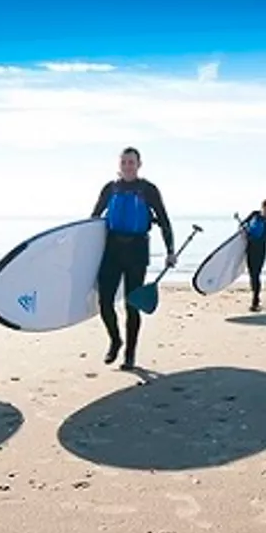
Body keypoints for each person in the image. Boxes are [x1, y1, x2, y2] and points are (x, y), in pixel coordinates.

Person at [90, 147, 176, 370]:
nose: (128, 166)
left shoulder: (148, 190)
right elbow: (93, 219)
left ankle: (130, 354)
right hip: (111, 250)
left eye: (131, 162)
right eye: (124, 162)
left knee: (132, 305)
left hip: (137, 251)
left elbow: (164, 220)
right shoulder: (110, 189)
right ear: (119, 164)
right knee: (104, 302)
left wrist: (170, 251)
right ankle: (115, 340)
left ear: (139, 164)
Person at [235, 198, 266, 311]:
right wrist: (244, 231)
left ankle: (255, 300)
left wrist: (254, 237)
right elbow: (243, 224)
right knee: (252, 273)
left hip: (260, 249)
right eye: (264, 207)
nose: (265, 210)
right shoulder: (254, 214)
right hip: (250, 247)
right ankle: (255, 297)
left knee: (256, 274)